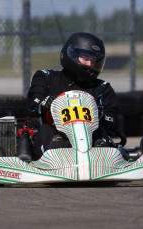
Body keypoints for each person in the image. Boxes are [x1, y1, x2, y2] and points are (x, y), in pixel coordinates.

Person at [17, 32, 119, 162]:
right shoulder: (46, 77)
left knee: (100, 131)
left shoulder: (102, 88)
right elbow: (33, 103)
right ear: (72, 55)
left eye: (93, 60)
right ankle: (55, 152)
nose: (89, 64)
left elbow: (112, 122)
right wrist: (44, 103)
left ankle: (101, 154)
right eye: (85, 58)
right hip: (54, 133)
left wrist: (101, 115)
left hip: (90, 138)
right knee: (45, 130)